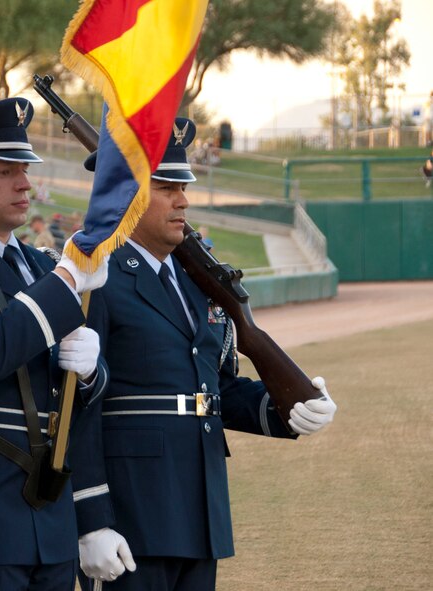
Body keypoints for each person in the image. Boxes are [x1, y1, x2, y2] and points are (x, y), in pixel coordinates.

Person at [72, 118, 338, 591]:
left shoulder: (195, 281)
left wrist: (285, 408)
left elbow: (215, 387)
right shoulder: (97, 279)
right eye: (166, 187)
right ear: (126, 193)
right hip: (134, 518)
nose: (183, 200)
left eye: (184, 186)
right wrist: (92, 516)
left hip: (201, 509)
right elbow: (78, 406)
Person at [0, 97, 109, 591]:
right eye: (5, 171)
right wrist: (67, 283)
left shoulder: (41, 265)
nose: (25, 183)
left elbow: (75, 397)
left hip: (48, 509)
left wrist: (92, 373)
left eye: (24, 170)